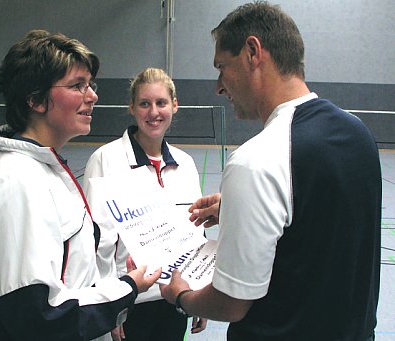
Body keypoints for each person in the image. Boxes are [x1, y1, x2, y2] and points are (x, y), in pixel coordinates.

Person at [159, 2, 381, 341]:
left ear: (252, 52)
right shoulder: (358, 133)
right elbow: (320, 225)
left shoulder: (258, 160)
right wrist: (243, 208)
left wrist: (182, 297)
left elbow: (231, 304)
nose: (219, 87)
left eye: (222, 67)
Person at [0, 30, 161, 341]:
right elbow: (40, 317)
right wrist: (127, 288)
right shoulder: (19, 182)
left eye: (90, 85)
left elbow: (70, 277)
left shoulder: (42, 167)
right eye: (78, 85)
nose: (92, 95)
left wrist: (116, 281)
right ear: (35, 99)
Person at [83, 67, 207, 341]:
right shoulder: (105, 160)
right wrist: (110, 306)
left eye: (161, 103)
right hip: (129, 302)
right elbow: (94, 244)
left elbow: (195, 232)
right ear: (132, 107)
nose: (154, 112)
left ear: (174, 105)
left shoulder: (185, 164)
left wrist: (198, 288)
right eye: (144, 104)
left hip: (175, 298)